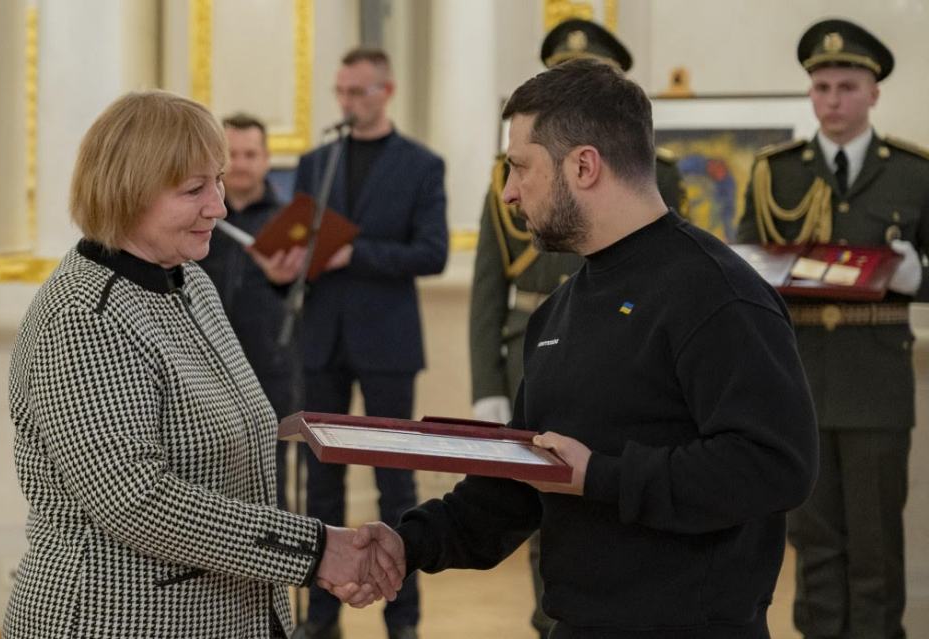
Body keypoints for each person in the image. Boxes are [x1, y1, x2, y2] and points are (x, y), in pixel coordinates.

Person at [342, 58, 819, 638]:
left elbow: (775, 466)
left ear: (584, 165)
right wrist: (405, 542)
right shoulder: (561, 305)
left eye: (520, 167)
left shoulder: (717, 295)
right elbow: (521, 482)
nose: (511, 192)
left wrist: (601, 476)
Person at [2, 90, 402, 639]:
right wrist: (312, 551)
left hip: (226, 611)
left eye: (216, 180)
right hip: (117, 619)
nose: (218, 205)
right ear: (126, 192)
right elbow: (137, 500)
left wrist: (321, 545)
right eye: (194, 190)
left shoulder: (190, 283)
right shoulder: (81, 316)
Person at [468, 18, 687, 638]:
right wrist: (487, 379)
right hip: (530, 344)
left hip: (624, 348)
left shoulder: (659, 181)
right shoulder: (509, 175)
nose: (514, 190)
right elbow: (489, 285)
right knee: (536, 506)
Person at [736, 18, 929, 639]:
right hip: (801, 383)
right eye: (821, 86)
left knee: (875, 547)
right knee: (813, 544)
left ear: (873, 92)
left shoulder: (913, 172)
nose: (833, 99)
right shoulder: (776, 174)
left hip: (876, 383)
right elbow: (745, 272)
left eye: (847, 86)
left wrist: (914, 277)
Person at [292, 47, 448, 639]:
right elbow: (303, 242)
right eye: (341, 91)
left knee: (395, 482)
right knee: (321, 480)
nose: (348, 102)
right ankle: (321, 614)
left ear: (387, 90)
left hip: (387, 340)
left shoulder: (420, 164)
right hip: (322, 337)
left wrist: (358, 253)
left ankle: (402, 617)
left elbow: (431, 252)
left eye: (358, 91)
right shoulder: (317, 162)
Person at [199, 113, 305, 511]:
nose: (241, 163)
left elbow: (307, 295)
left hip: (268, 368)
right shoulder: (199, 218)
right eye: (232, 154)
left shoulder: (290, 222)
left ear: (266, 159)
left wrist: (284, 279)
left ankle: (272, 571)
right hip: (204, 367)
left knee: (269, 477)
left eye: (250, 154)